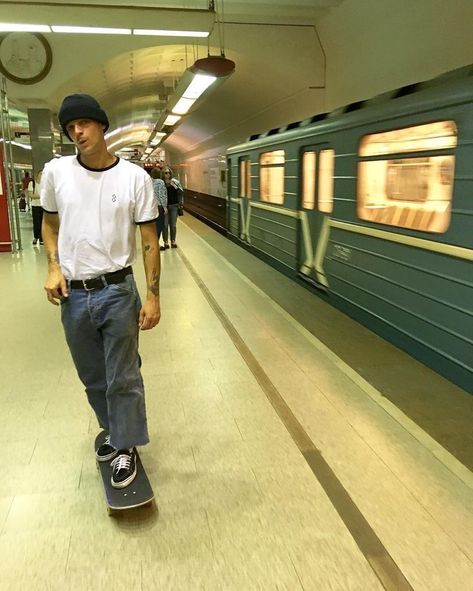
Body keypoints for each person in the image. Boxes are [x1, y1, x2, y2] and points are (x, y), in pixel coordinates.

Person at [41, 94, 161, 489]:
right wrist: (54, 267)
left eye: (84, 123)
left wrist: (154, 294)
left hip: (117, 290)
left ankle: (125, 446)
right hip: (73, 296)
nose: (77, 131)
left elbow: (148, 240)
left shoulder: (134, 178)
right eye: (70, 126)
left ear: (102, 126)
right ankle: (114, 430)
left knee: (122, 376)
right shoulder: (56, 173)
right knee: (93, 376)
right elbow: (50, 225)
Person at [162, 166, 184, 249]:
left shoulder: (175, 182)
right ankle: (166, 242)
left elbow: (181, 192)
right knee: (164, 225)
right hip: (165, 207)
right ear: (163, 174)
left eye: (169, 173)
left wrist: (180, 204)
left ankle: (173, 241)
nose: (168, 174)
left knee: (173, 225)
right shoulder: (161, 183)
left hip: (174, 206)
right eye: (166, 173)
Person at [149, 167, 168, 251]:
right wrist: (165, 207)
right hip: (159, 207)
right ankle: (156, 244)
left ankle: (153, 242)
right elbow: (162, 195)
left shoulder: (149, 182)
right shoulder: (160, 182)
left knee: (152, 226)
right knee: (159, 226)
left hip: (150, 207)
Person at [29, 169, 43, 245]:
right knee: (36, 222)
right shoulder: (32, 183)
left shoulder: (45, 184)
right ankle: (36, 237)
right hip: (35, 206)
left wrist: (37, 196)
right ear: (37, 175)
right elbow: (31, 195)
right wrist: (41, 196)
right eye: (41, 174)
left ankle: (42, 238)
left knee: (43, 223)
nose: (42, 175)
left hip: (44, 206)